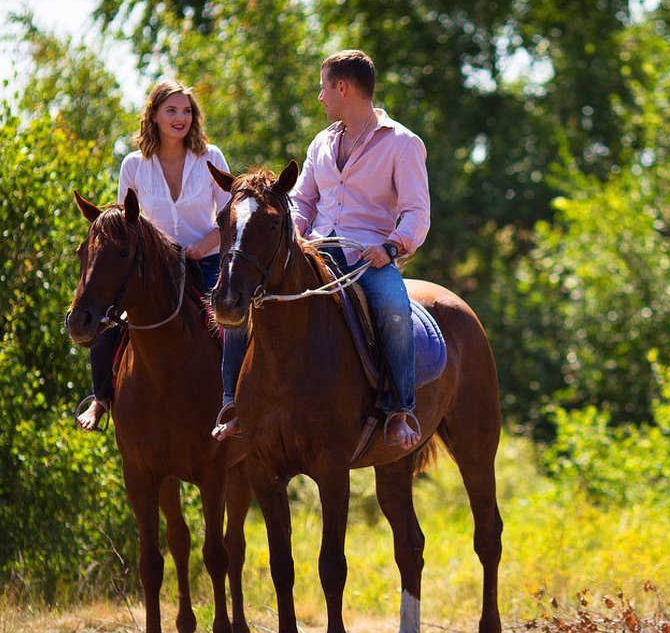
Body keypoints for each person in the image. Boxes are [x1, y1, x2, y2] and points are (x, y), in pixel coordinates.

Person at [214, 50, 430, 450]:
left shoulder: (403, 143)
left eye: (323, 87)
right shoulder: (322, 142)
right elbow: (303, 202)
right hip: (313, 250)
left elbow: (417, 214)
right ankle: (234, 405)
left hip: (368, 258)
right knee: (248, 300)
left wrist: (392, 247)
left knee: (394, 311)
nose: (320, 97)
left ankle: (400, 409)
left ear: (342, 87)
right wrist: (294, 233)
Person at [76, 79, 245, 432]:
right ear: (153, 115)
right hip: (153, 269)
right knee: (108, 316)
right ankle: (101, 399)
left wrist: (207, 243)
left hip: (206, 259)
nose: (180, 117)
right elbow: (126, 221)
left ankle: (237, 401)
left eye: (186, 110)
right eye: (171, 110)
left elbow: (230, 216)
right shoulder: (133, 165)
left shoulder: (210, 157)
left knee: (232, 320)